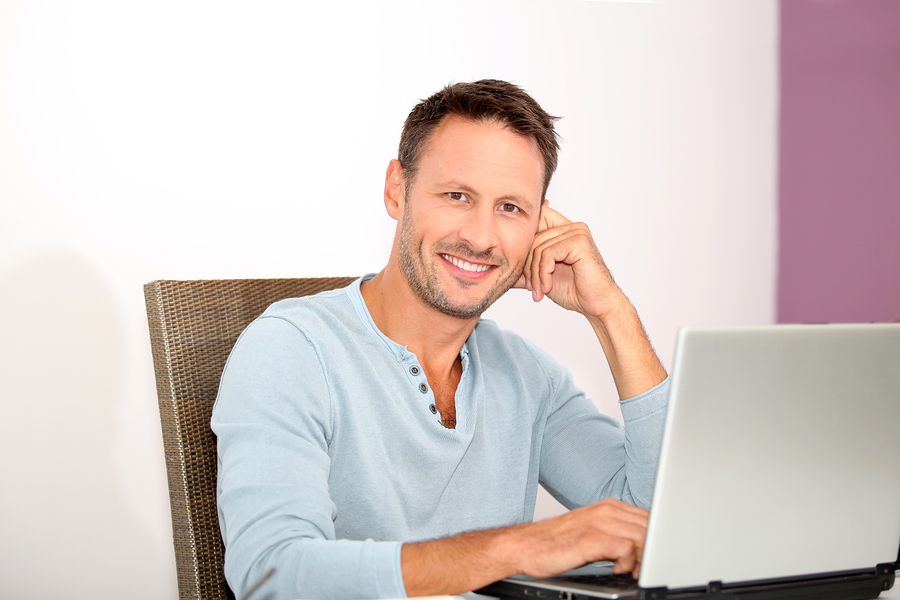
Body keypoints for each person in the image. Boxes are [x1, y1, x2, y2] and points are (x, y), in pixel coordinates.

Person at [212, 79, 670, 600]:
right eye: (457, 196)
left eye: (511, 208)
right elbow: (271, 576)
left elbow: (657, 529)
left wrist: (611, 312)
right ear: (396, 189)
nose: (480, 237)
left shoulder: (528, 376)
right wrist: (515, 548)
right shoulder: (292, 350)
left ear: (539, 226)